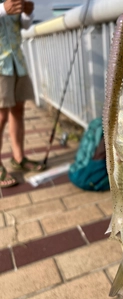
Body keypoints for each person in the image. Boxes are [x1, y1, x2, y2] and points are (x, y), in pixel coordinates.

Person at [0, 0, 45, 188]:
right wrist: (3, 9)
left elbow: (24, 26)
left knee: (18, 110)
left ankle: (18, 157)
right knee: (1, 114)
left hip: (17, 61)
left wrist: (28, 13)